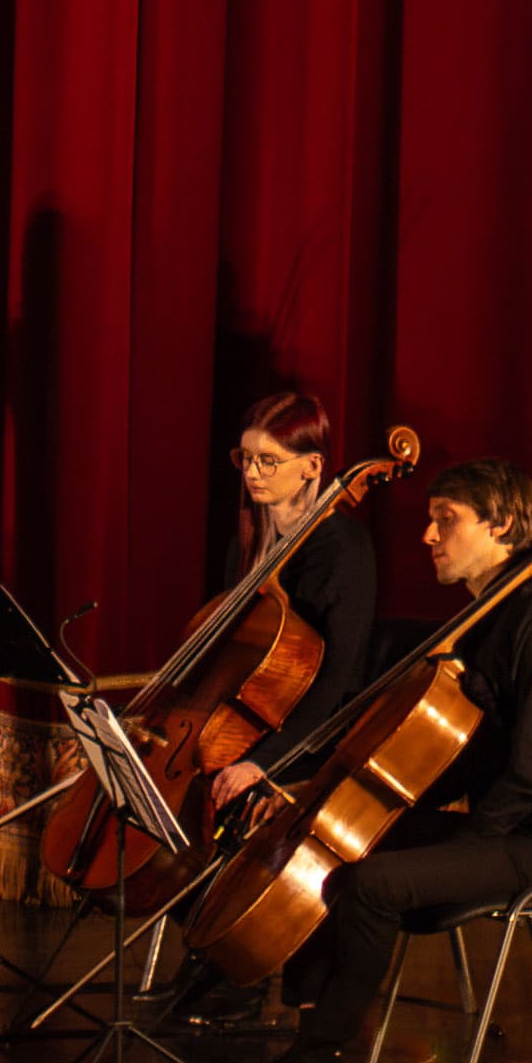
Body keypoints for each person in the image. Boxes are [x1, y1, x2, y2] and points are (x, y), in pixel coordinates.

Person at [254, 453, 532, 1063]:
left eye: (447, 519)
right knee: (338, 839)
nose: (428, 535)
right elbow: (468, 759)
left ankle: (319, 1061)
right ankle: (304, 1028)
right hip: (507, 824)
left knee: (374, 884)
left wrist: (462, 846)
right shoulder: (485, 619)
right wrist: (370, 804)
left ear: (501, 526)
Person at [164, 386, 384, 1027]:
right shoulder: (250, 539)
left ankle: (238, 967)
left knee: (232, 807)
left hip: (314, 733)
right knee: (169, 809)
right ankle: (206, 951)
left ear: (313, 466)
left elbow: (336, 681)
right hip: (251, 719)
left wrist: (267, 762)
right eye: (247, 459)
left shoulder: (340, 548)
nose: (254, 474)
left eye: (270, 461)